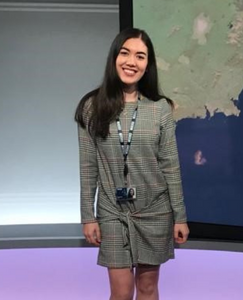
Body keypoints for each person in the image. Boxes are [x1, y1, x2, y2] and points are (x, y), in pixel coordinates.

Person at [74, 28, 189, 300]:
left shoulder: (160, 108)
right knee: (121, 292)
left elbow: (171, 166)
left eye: (140, 56)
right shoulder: (92, 107)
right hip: (112, 211)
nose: (131, 62)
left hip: (155, 210)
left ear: (147, 65)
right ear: (114, 57)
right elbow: (88, 166)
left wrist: (180, 216)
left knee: (148, 289)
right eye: (125, 53)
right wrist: (87, 216)